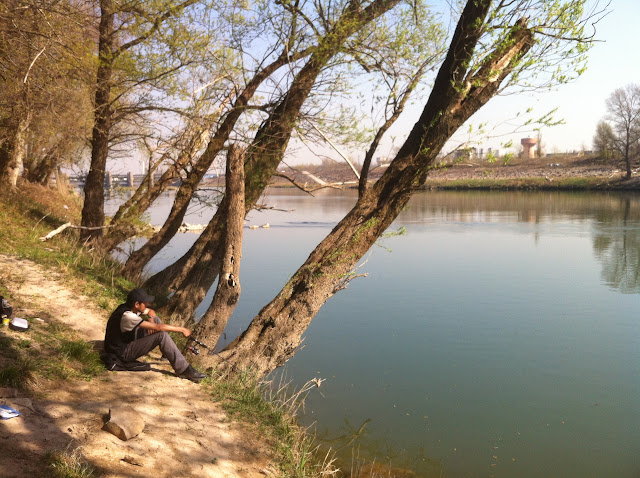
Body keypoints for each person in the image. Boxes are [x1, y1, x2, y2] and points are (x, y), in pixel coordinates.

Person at [104, 288, 206, 382]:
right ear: (137, 304)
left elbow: (151, 312)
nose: (148, 304)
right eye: (145, 303)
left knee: (156, 320)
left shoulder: (129, 308)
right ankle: (184, 370)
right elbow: (159, 328)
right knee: (161, 335)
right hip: (122, 352)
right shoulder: (128, 316)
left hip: (126, 341)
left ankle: (166, 353)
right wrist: (182, 329)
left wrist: (151, 319)